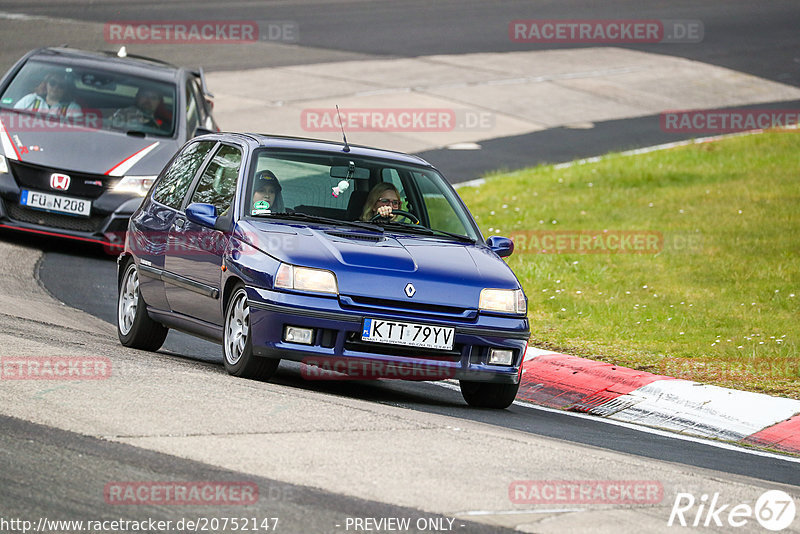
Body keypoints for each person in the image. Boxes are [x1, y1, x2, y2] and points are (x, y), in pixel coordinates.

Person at [14, 72, 82, 117]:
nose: (56, 87)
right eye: (52, 83)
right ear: (46, 84)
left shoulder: (73, 108)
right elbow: (13, 117)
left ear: (66, 89)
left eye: (61, 85)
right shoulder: (30, 99)